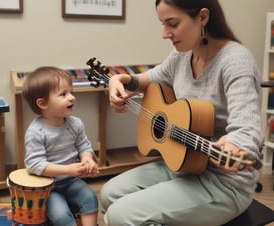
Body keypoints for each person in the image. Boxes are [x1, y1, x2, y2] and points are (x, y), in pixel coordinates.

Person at [100, 0, 264, 225]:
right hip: (185, 164)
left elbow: (247, 128)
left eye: (173, 24)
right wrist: (119, 80)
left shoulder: (236, 61)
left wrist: (237, 145)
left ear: (203, 17)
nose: (165, 34)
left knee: (120, 216)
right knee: (109, 194)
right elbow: (147, 79)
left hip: (225, 183)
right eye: (162, 24)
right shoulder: (181, 56)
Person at [22, 66, 99, 226]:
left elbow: (84, 145)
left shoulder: (75, 124)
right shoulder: (36, 132)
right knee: (62, 215)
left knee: (90, 197)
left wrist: (88, 159)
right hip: (47, 187)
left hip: (70, 181)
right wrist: (69, 169)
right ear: (43, 103)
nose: (71, 98)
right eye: (63, 94)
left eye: (71, 92)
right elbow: (35, 165)